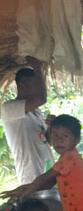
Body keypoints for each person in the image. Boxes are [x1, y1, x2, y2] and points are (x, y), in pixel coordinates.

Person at [0, 58, 54, 186]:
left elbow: (46, 141)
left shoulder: (36, 112)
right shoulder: (9, 108)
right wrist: (38, 69)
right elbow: (42, 98)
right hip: (31, 177)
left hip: (46, 173)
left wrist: (51, 127)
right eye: (36, 85)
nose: (39, 89)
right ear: (22, 86)